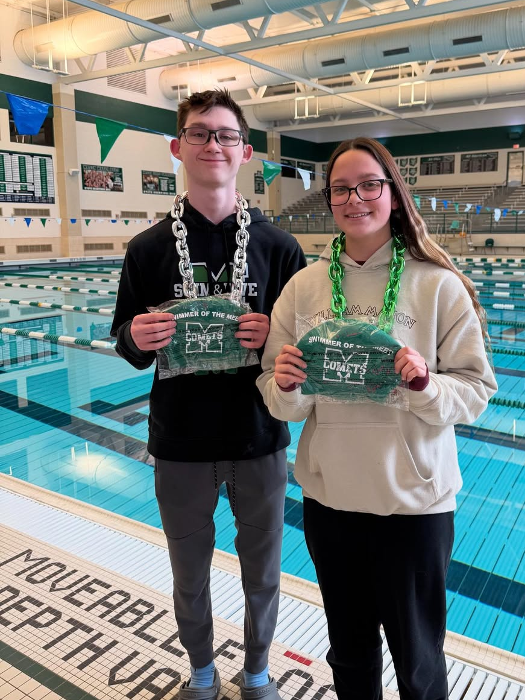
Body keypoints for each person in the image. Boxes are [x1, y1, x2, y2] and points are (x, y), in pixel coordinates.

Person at [257, 137, 497, 700]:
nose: (355, 198)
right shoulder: (304, 286)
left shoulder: (437, 284)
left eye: (369, 185)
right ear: (329, 199)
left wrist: (424, 386)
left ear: (392, 192)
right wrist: (286, 384)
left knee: (419, 662)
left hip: (413, 506)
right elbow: (275, 393)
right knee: (349, 654)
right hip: (331, 504)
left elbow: (476, 389)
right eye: (341, 189)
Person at [111, 88, 306, 700]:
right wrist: (136, 336)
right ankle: (200, 669)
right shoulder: (146, 249)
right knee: (188, 572)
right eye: (199, 133)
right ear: (178, 147)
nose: (212, 144)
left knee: (263, 572)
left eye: (225, 135)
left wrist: (275, 338)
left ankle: (257, 671)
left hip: (259, 438)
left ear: (245, 151)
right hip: (181, 442)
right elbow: (125, 340)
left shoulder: (279, 248)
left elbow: (303, 351)